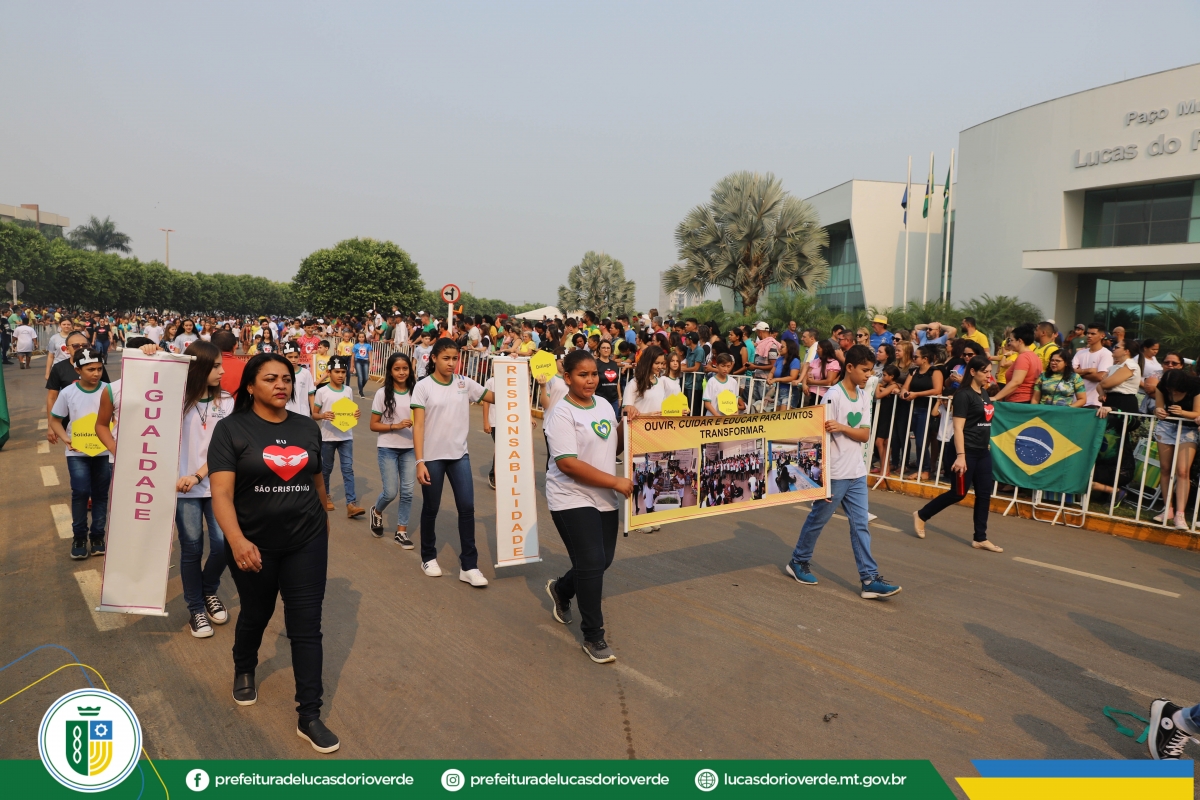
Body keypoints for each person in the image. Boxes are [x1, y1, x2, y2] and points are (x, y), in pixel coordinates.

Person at [208, 352, 340, 753]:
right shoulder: (231, 429)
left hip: (307, 540)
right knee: (257, 612)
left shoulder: (306, 427)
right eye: (270, 379)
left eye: (286, 378)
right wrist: (236, 540)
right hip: (254, 544)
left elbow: (316, 478)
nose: (281, 385)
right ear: (250, 386)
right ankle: (244, 666)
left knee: (306, 626)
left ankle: (309, 715)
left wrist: (324, 517)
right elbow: (221, 493)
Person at [785, 345, 901, 600]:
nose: (869, 375)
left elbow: (864, 434)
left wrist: (843, 427)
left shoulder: (863, 396)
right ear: (849, 367)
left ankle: (869, 579)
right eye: (865, 370)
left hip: (856, 472)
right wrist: (822, 477)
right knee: (818, 519)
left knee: (861, 526)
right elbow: (819, 439)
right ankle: (798, 561)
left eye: (871, 371)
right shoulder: (832, 396)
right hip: (835, 473)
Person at [543, 350, 633, 663]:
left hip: (603, 496)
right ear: (567, 378)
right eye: (583, 375)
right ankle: (593, 636)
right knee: (592, 560)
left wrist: (627, 423)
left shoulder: (605, 405)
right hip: (570, 496)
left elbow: (613, 445)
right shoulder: (561, 413)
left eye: (594, 374)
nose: (591, 380)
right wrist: (616, 482)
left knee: (601, 560)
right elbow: (568, 464)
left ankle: (562, 590)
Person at [411, 338, 495, 585]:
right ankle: (428, 556)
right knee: (431, 507)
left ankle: (469, 566)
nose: (451, 363)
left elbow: (495, 397)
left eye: (455, 358)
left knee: (467, 508)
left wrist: (517, 380)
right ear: (434, 358)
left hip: (459, 456)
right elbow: (418, 426)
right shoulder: (423, 386)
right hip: (432, 458)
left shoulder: (464, 383)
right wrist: (419, 461)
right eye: (446, 358)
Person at [171, 341, 235, 638]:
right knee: (192, 548)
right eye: (216, 366)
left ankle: (208, 590)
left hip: (217, 485)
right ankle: (196, 608)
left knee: (223, 545)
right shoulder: (174, 400)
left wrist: (198, 475)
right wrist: (147, 352)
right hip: (182, 488)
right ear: (198, 368)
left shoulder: (227, 402)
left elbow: (225, 449)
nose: (223, 371)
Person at [913, 356, 1004, 552]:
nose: (989, 375)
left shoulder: (983, 393)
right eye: (985, 372)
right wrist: (961, 456)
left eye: (990, 372)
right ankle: (921, 515)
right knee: (958, 493)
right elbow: (958, 427)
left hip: (982, 451)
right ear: (973, 372)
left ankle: (980, 538)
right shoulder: (963, 395)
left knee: (984, 494)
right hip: (964, 451)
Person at [48, 347, 112, 559]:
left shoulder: (109, 390)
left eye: (99, 369)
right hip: (77, 453)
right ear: (78, 370)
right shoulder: (68, 392)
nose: (96, 373)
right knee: (81, 491)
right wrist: (65, 439)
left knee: (101, 494)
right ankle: (79, 537)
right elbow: (55, 420)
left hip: (104, 452)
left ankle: (98, 536)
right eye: (90, 369)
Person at [369, 353, 417, 547]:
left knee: (407, 492)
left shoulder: (417, 392)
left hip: (411, 448)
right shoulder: (382, 394)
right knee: (390, 492)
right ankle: (377, 511)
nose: (402, 372)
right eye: (397, 369)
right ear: (390, 371)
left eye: (405, 368)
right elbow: (373, 425)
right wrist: (395, 426)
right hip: (388, 447)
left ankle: (401, 532)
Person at [312, 356, 365, 519]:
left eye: (343, 372)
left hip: (346, 436)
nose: (341, 375)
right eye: (337, 372)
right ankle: (326, 495)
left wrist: (356, 414)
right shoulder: (322, 391)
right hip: (328, 437)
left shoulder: (348, 390)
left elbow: (351, 411)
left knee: (348, 468)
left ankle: (351, 503)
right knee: (326, 468)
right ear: (329, 373)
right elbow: (314, 414)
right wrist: (323, 415)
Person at [1151, 368, 1200, 529]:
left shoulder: (1195, 386)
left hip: (1188, 429)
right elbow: (1158, 408)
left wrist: (1182, 412)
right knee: (1165, 468)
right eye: (1169, 389)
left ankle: (1180, 514)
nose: (1172, 392)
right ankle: (1168, 509)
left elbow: (1197, 413)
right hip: (1166, 427)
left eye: (1175, 389)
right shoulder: (1162, 387)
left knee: (1183, 471)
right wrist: (1158, 411)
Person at [899, 344, 944, 481]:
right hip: (913, 409)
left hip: (927, 410)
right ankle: (921, 468)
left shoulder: (935, 372)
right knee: (916, 441)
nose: (913, 359)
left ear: (925, 359)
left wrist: (916, 394)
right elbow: (905, 387)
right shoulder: (914, 371)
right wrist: (904, 393)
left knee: (921, 441)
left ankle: (925, 470)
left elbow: (937, 390)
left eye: (916, 357)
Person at [991, 323, 1039, 403]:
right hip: (1025, 400)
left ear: (1019, 341)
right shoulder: (1034, 356)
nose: (1009, 343)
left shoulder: (1023, 357)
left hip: (1018, 401)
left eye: (1011, 340)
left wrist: (995, 397)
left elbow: (1016, 382)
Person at [1071, 323, 1114, 407]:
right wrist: (1089, 370)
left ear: (1102, 336)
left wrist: (1079, 372)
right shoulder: (1080, 352)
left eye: (1093, 334)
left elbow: (1100, 377)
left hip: (1093, 402)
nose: (1089, 336)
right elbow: (1070, 372)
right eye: (1088, 333)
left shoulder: (1106, 354)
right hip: (1076, 401)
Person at [1098, 338, 1142, 417]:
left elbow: (1105, 384)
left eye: (1117, 347)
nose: (1113, 349)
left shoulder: (1130, 365)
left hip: (1123, 401)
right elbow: (1099, 385)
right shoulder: (1114, 367)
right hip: (1110, 400)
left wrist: (1104, 381)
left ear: (1126, 351)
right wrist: (1102, 393)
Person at [282, 342, 315, 416]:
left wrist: (314, 413)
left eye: (296, 357)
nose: (293, 360)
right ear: (284, 357)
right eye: (290, 357)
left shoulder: (306, 373)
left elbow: (311, 395)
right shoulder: (280, 373)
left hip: (303, 414)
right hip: (284, 414)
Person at [593, 339, 623, 420]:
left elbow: (617, 382)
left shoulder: (614, 364)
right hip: (600, 399)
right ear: (599, 349)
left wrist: (620, 397)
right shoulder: (595, 363)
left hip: (614, 400)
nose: (606, 350)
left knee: (614, 421)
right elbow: (593, 381)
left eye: (608, 348)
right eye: (603, 348)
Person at [352, 332, 373, 398]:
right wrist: (352, 365)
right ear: (358, 338)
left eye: (362, 337)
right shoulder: (356, 346)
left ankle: (360, 388)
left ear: (364, 338)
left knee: (366, 378)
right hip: (358, 361)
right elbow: (353, 356)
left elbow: (370, 355)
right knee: (360, 377)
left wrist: (371, 364)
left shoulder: (368, 345)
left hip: (365, 361)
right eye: (360, 337)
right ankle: (361, 392)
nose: (361, 338)